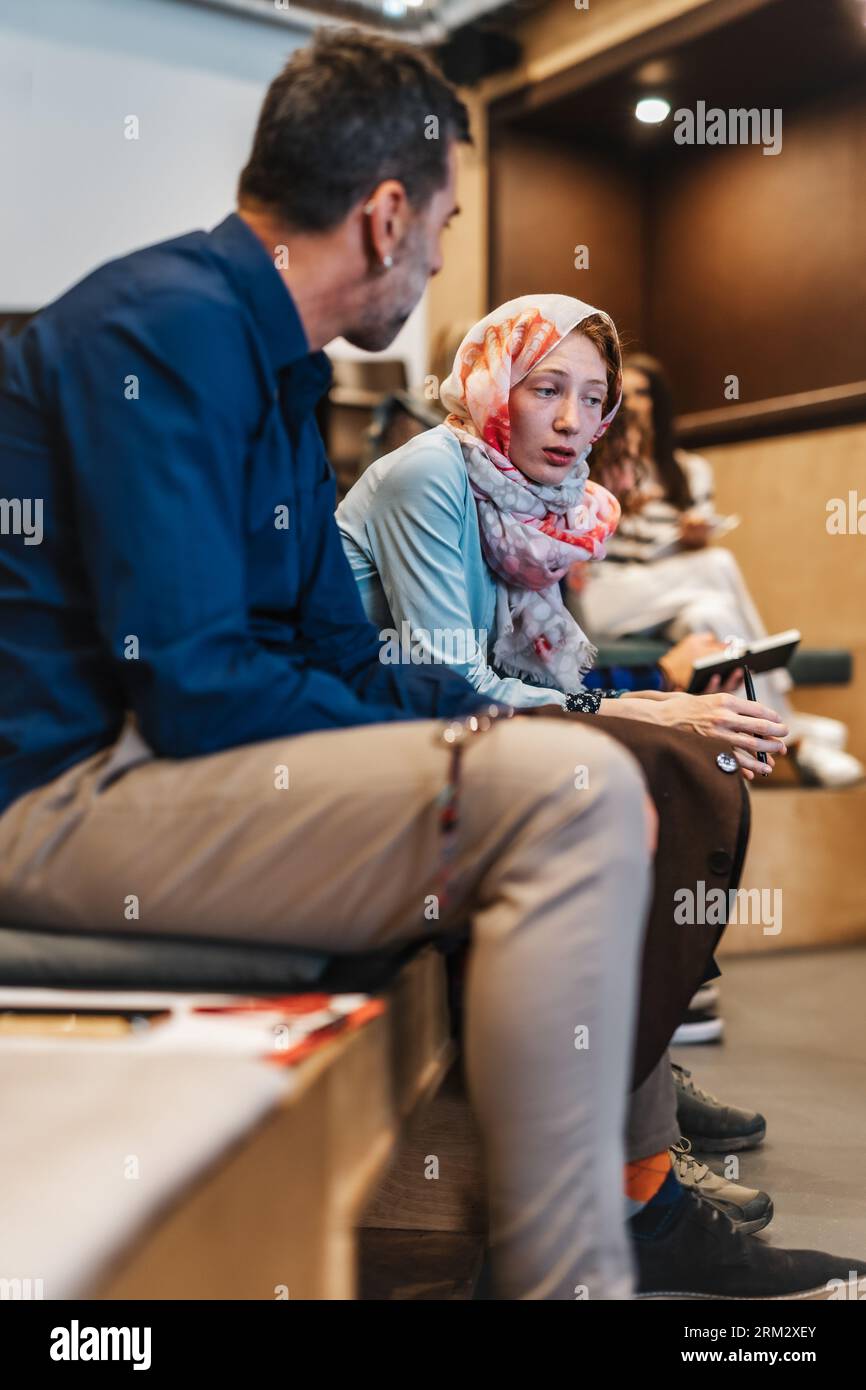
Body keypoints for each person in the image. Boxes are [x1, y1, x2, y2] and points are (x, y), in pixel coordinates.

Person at [0, 32, 860, 1301]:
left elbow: (340, 656)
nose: (449, 256)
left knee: (586, 763)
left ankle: (622, 1201)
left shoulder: (274, 370)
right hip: (61, 800)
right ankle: (569, 1275)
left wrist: (590, 709)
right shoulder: (167, 328)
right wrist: (516, 744)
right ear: (386, 213)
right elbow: (201, 688)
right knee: (566, 798)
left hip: (158, 764)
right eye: (448, 223)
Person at [581, 353, 864, 788]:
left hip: (667, 595)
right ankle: (792, 725)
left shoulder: (688, 470)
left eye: (644, 393)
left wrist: (687, 534)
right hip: (604, 598)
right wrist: (617, 505)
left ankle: (772, 734)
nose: (635, 403)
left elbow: (688, 551)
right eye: (627, 393)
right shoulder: (593, 460)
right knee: (718, 564)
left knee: (710, 613)